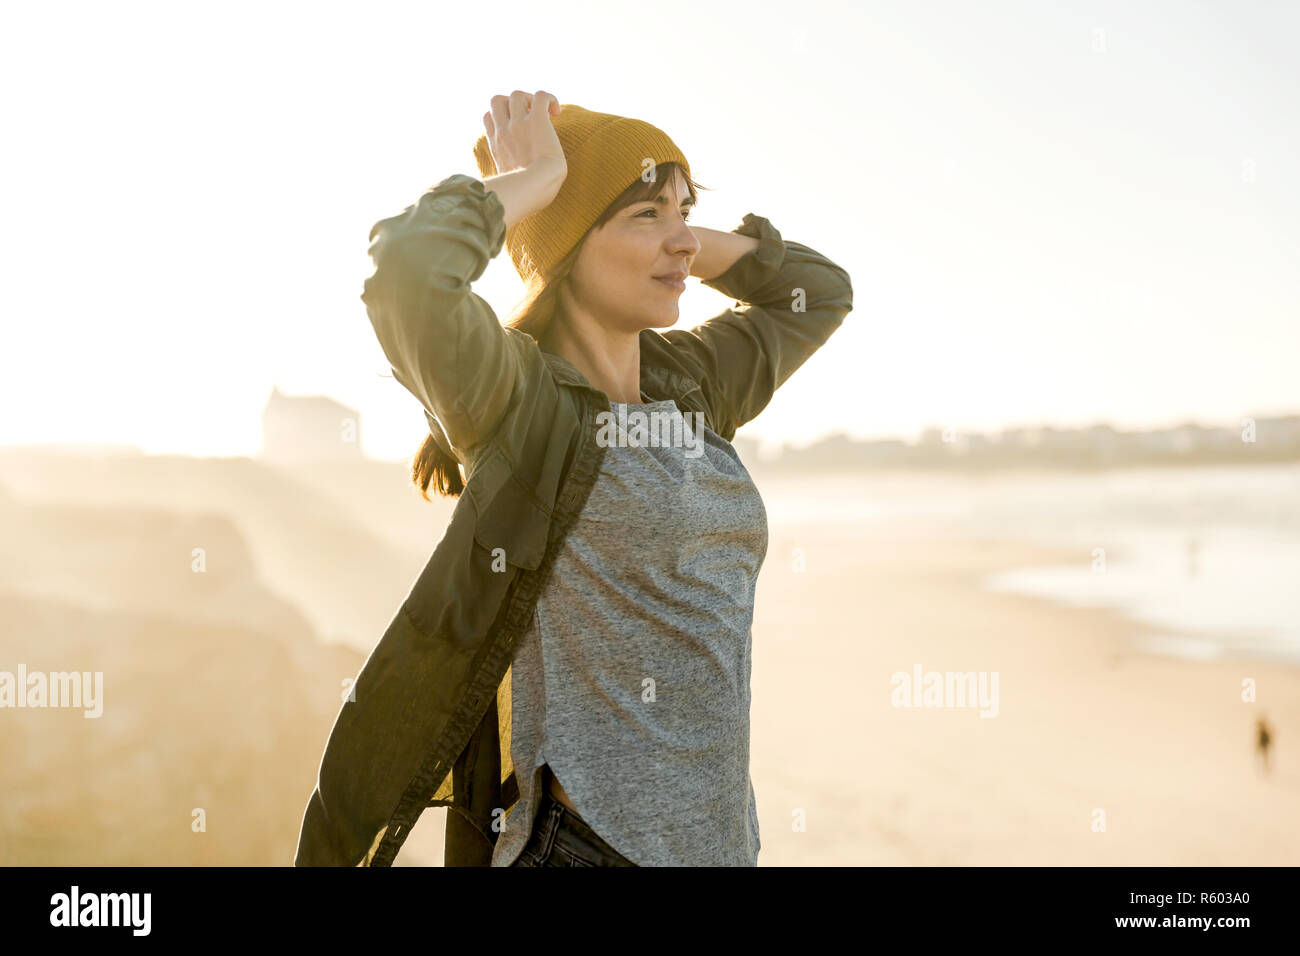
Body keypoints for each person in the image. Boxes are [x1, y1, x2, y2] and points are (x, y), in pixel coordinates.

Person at [295, 90, 853, 867]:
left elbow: (818, 293)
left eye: (684, 211)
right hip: (582, 849)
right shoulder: (517, 402)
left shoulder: (692, 386)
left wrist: (667, 212)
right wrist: (545, 182)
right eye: (644, 218)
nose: (685, 243)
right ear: (566, 246)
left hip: (721, 845)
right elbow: (408, 271)